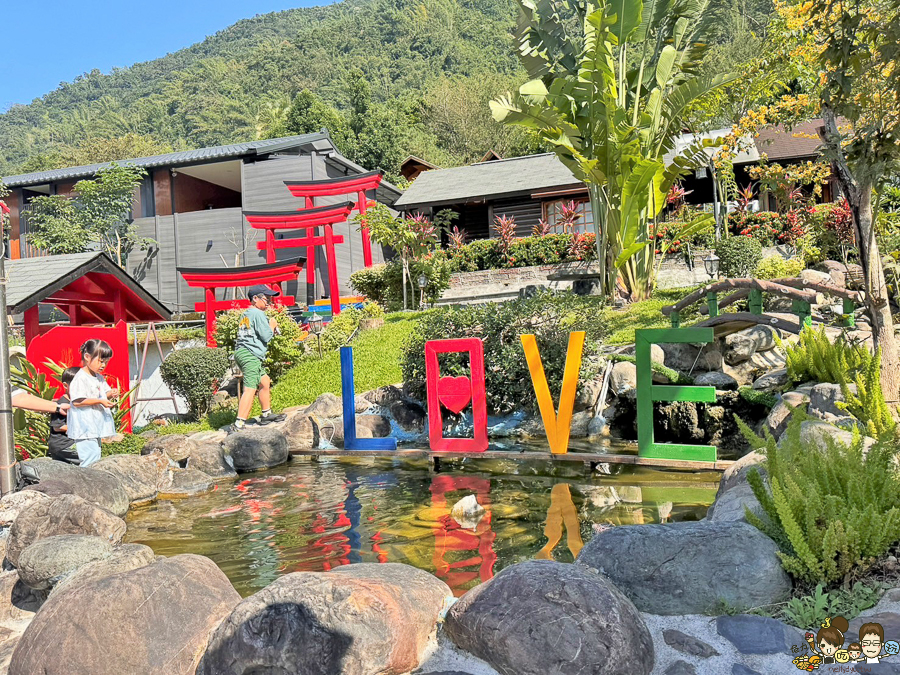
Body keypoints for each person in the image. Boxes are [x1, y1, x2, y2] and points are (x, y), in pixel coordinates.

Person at [228, 285, 286, 434]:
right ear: (255, 299)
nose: (269, 303)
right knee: (250, 388)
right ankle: (238, 424)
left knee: (264, 381)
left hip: (243, 352)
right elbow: (266, 336)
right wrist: (272, 325)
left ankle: (266, 414)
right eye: (266, 299)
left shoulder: (246, 313)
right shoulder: (258, 314)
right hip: (250, 354)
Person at [67, 339, 119, 467]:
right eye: (101, 361)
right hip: (84, 426)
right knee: (89, 457)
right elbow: (78, 401)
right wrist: (100, 400)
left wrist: (110, 394)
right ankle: (87, 483)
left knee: (95, 455)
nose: (103, 365)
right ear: (87, 357)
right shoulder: (80, 378)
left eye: (105, 362)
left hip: (94, 425)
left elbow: (102, 395)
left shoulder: (98, 377)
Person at [48, 367, 82, 465]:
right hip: (63, 444)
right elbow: (58, 427)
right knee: (87, 456)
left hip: (66, 444)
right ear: (66, 386)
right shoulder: (62, 404)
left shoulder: (75, 402)